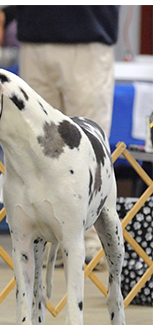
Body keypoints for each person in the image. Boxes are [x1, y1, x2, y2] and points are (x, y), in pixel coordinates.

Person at [10, 5, 120, 267]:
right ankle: (42, 238)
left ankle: (93, 239)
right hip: (34, 36)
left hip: (89, 38)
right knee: (34, 146)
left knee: (90, 145)